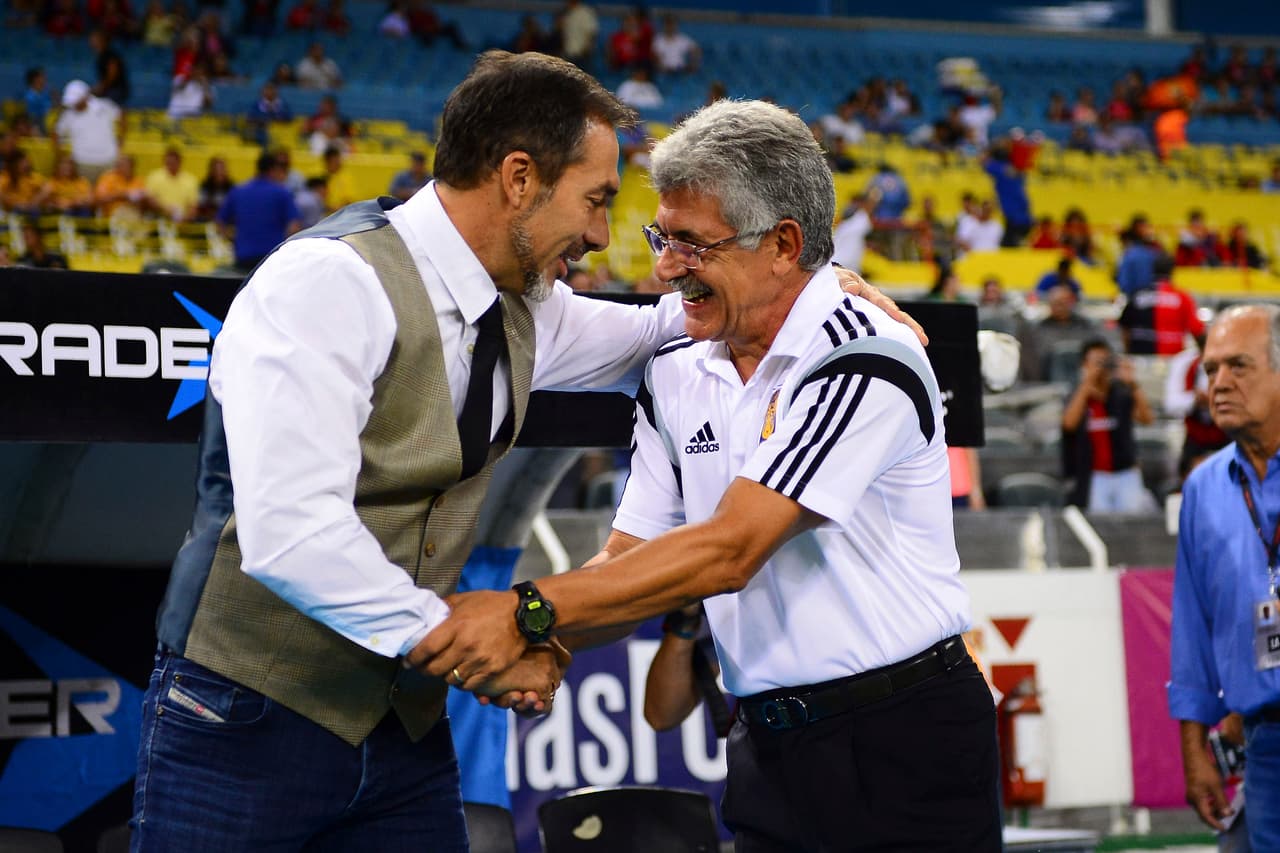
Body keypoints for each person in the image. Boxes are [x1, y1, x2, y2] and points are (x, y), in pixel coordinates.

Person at [410, 98, 1000, 851]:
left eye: (691, 244)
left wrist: (528, 612)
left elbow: (730, 550)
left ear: (783, 244)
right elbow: (629, 560)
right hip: (763, 746)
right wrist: (543, 637)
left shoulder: (866, 353)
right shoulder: (676, 368)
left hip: (904, 738)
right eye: (663, 237)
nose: (664, 267)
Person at [1169, 304, 1280, 851]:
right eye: (1211, 369)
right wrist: (1195, 751)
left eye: (1239, 366)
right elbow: (1191, 628)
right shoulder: (1204, 488)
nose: (1219, 383)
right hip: (1265, 747)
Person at [1061, 338, 1155, 511]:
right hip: (1094, 475)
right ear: (1084, 364)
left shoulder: (1121, 393)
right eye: (1096, 362)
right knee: (1098, 521)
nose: (1101, 367)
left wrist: (1132, 383)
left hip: (1125, 472)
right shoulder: (1077, 395)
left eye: (1104, 361)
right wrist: (1087, 384)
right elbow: (1069, 424)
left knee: (1132, 519)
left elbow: (1147, 418)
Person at [215, 151, 301, 271]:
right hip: (272, 258)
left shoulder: (238, 191)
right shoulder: (282, 193)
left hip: (243, 258)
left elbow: (219, 223)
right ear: (273, 169)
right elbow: (294, 226)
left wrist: (234, 240)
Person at [1118, 254, 1204, 356]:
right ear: (1172, 271)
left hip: (1139, 358)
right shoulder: (1182, 298)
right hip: (1172, 358)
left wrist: (1128, 353)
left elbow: (1125, 329)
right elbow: (1196, 330)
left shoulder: (1137, 295)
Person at [52, 78, 123, 184]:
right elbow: (56, 133)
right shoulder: (68, 114)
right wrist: (61, 155)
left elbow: (122, 116)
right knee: (84, 192)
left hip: (108, 161)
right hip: (82, 163)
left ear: (85, 97)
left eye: (76, 101)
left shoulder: (105, 106)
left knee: (109, 191)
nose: (74, 104)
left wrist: (121, 139)